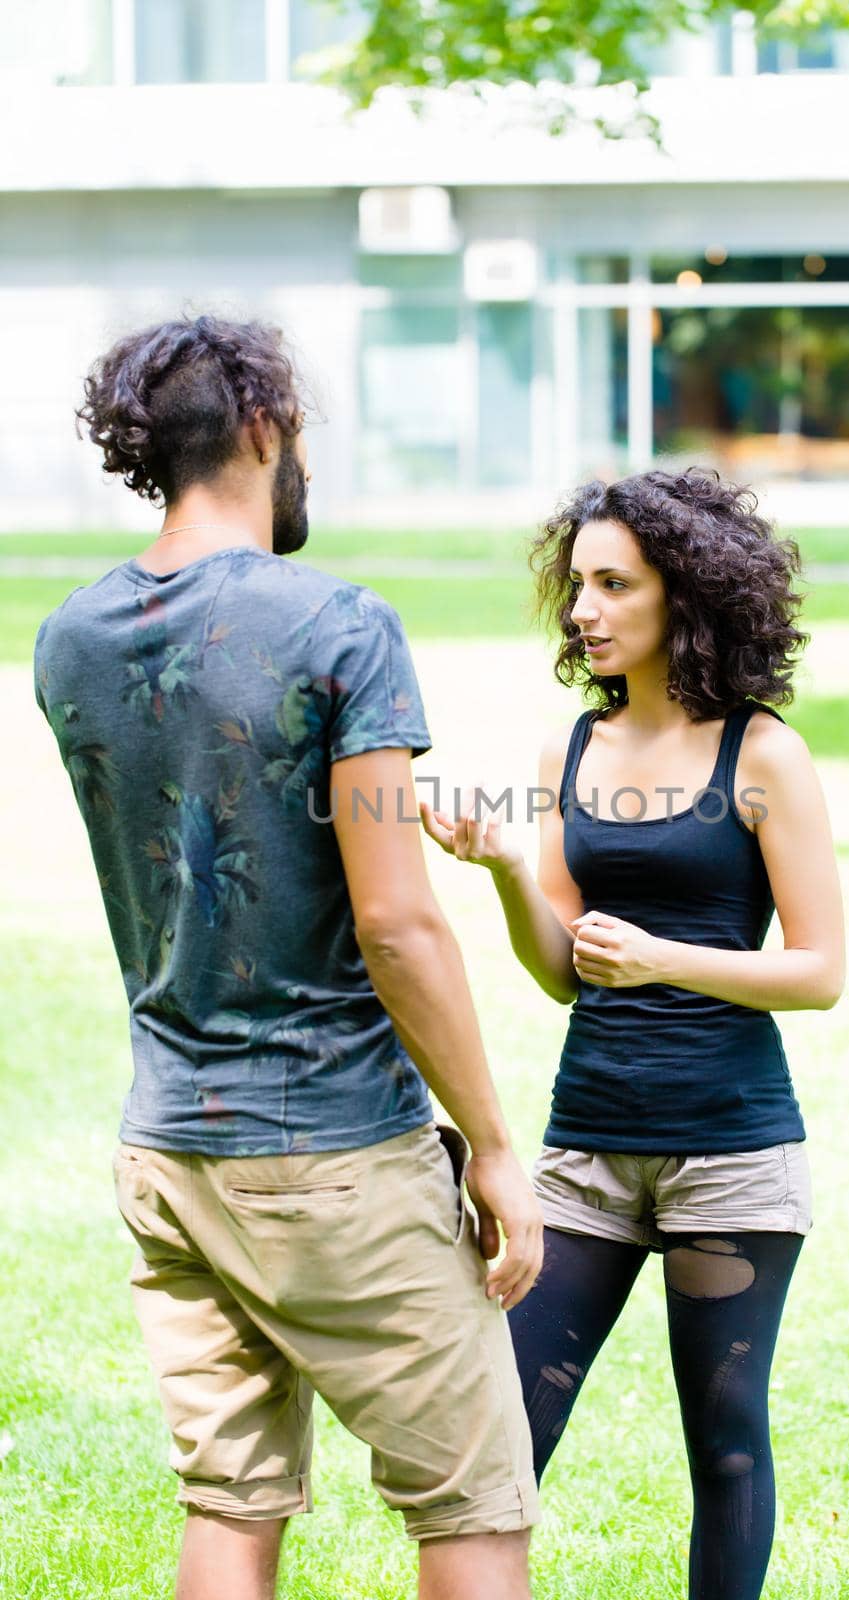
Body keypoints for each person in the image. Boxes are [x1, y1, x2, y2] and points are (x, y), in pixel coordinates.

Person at [33, 313, 542, 1600]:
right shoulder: (341, 629)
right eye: (300, 430)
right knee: (472, 1503)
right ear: (263, 429)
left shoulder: (71, 638)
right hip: (332, 1152)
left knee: (231, 1503)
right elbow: (397, 917)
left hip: (168, 1155)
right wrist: (489, 1141)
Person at [420, 468, 846, 1600]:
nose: (583, 611)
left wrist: (664, 959)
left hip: (731, 1156)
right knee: (505, 1429)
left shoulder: (760, 756)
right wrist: (512, 867)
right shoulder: (579, 748)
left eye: (613, 585)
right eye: (576, 587)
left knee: (726, 1441)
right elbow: (564, 971)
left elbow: (817, 972)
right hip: (587, 1152)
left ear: (685, 595)